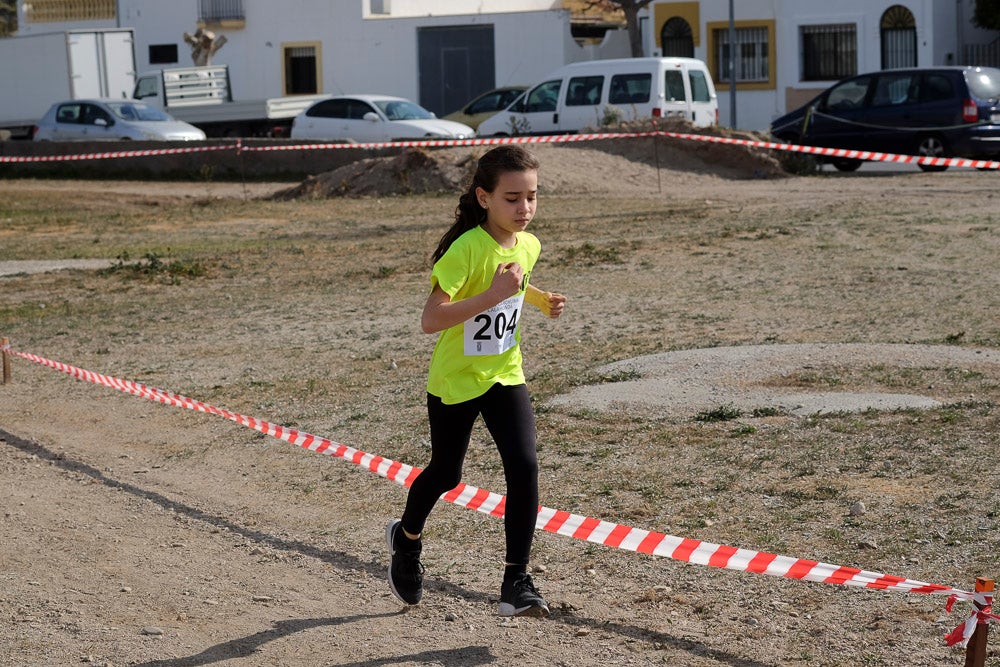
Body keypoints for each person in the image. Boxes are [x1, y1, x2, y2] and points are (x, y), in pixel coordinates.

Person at [386, 144, 566, 617]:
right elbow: (432, 319)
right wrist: (494, 295)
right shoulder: (465, 249)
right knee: (447, 472)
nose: (524, 208)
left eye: (532, 196)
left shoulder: (529, 243)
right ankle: (406, 540)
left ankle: (516, 581)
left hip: (505, 372)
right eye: (512, 198)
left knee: (524, 468)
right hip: (457, 379)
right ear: (484, 198)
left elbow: (514, 285)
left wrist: (539, 299)